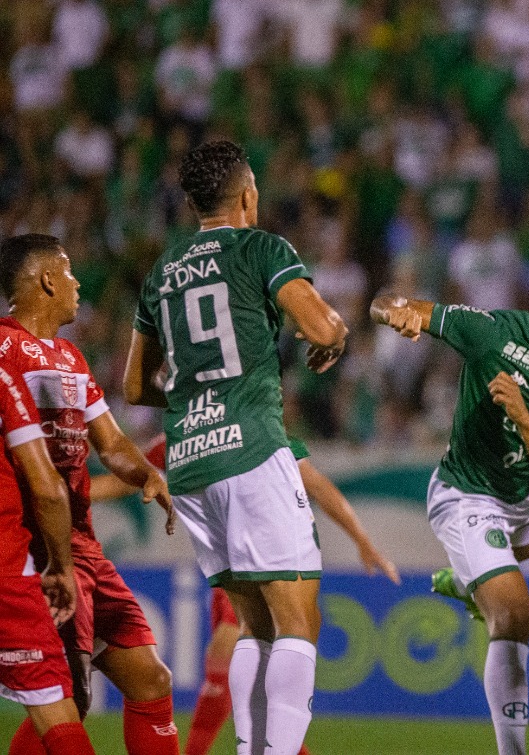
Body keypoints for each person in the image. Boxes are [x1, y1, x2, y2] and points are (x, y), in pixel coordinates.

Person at [124, 140, 349, 755]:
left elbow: (134, 386)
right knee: (298, 620)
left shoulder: (163, 270)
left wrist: (195, 394)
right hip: (251, 448)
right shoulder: (262, 248)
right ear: (248, 195)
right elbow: (322, 325)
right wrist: (334, 336)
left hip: (191, 460)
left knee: (254, 624)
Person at [369, 256, 529, 755]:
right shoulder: (494, 333)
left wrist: (524, 418)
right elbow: (390, 302)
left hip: (520, 496)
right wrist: (394, 312)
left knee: (521, 554)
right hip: (465, 492)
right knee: (513, 610)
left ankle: (464, 581)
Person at [91, 434, 401, 755]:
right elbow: (125, 481)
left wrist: (363, 540)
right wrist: (67, 492)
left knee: (224, 658)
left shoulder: (260, 429)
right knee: (253, 697)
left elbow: (318, 486)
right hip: (226, 574)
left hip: (268, 562)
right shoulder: (179, 437)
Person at [0, 235, 178, 755]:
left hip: (81, 544)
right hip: (37, 544)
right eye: (69, 272)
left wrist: (146, 474)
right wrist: (56, 558)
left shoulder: (71, 357)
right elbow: (42, 481)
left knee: (150, 679)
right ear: (46, 280)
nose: (78, 284)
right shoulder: (6, 349)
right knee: (67, 701)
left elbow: (112, 445)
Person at [0, 354, 96, 754]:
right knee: (57, 707)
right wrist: (61, 566)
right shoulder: (3, 374)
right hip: (6, 568)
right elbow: (47, 486)